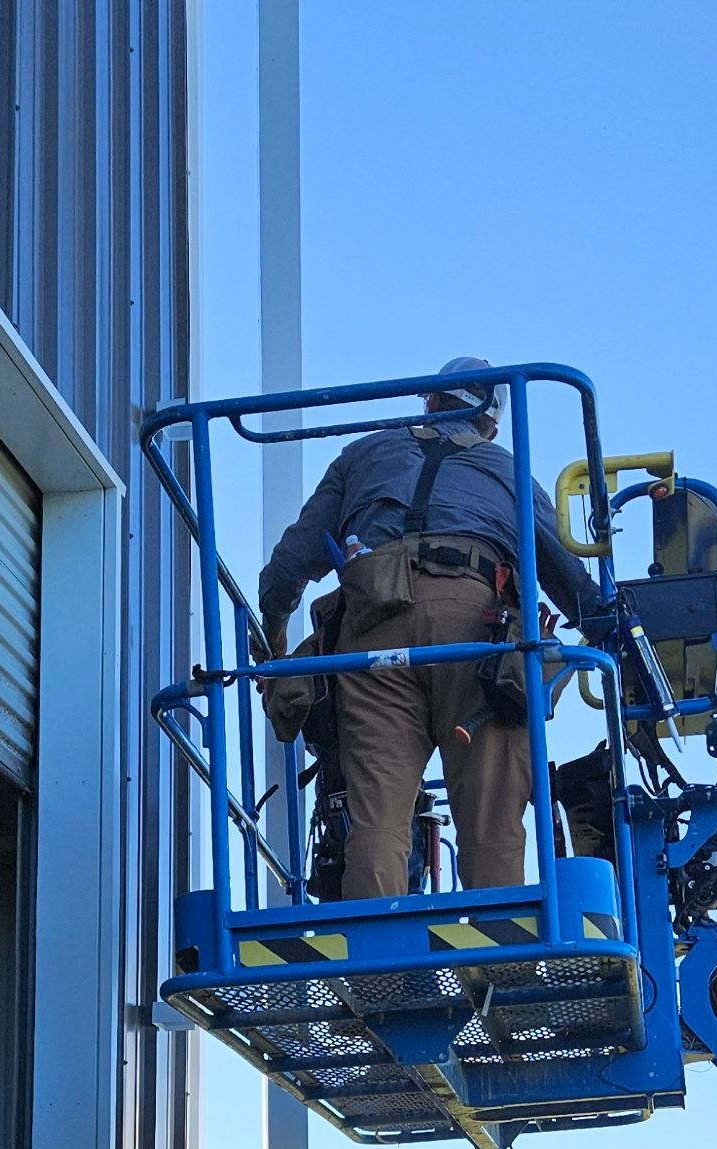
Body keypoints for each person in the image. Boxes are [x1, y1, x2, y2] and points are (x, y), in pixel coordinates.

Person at [255, 359, 601, 902]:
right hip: (477, 633)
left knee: (377, 819)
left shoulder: (364, 455)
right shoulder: (508, 468)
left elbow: (287, 568)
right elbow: (568, 579)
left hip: (373, 629)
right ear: (491, 425)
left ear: (430, 402)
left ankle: (375, 949)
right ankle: (499, 942)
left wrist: (273, 641)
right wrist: (620, 639)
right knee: (491, 820)